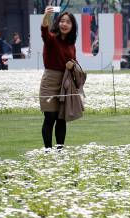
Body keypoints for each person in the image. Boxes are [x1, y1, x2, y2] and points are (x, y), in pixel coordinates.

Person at [39, 6, 77, 149]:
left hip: (65, 83)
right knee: (50, 117)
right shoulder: (51, 39)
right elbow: (44, 31)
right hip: (50, 82)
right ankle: (48, 152)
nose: (64, 24)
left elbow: (74, 63)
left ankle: (60, 152)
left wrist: (72, 67)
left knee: (62, 119)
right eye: (62, 21)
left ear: (72, 26)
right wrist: (46, 15)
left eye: (68, 22)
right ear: (58, 23)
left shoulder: (71, 44)